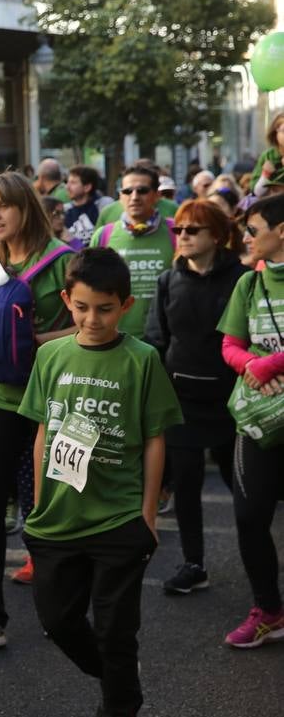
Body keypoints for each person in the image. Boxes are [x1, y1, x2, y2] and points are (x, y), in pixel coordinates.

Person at [19, 248, 181, 717]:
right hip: (57, 521)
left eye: (105, 310)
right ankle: (120, 685)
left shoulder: (142, 360)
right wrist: (40, 504)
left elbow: (156, 437)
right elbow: (43, 432)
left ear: (125, 307)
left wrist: (148, 513)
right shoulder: (52, 357)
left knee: (116, 631)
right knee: (57, 620)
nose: (93, 320)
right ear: (67, 301)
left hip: (118, 521)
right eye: (83, 308)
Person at [0, 171, 75, 650]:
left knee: (54, 500)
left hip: (53, 397)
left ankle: (64, 596)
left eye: (4, 205)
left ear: (26, 207)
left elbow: (95, 321)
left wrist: (36, 341)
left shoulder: (62, 261)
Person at [144, 200, 248, 594]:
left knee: (245, 492)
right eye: (179, 230)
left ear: (217, 236)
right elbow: (157, 339)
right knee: (186, 486)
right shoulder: (169, 279)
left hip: (231, 403)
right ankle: (194, 564)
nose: (182, 236)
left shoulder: (241, 279)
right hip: (182, 401)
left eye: (193, 230)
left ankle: (257, 559)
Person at [217, 194, 284, 647]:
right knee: (249, 515)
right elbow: (230, 345)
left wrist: (273, 363)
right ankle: (269, 610)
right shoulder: (248, 284)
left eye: (253, 229)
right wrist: (249, 365)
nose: (246, 237)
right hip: (258, 419)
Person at [88, 165, 176, 340]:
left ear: (157, 195)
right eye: (127, 191)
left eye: (142, 190)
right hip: (116, 338)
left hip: (166, 339)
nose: (134, 197)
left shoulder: (177, 232)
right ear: (120, 196)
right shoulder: (104, 235)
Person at [64, 165, 104, 247]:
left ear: (87, 187)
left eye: (73, 183)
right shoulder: (65, 210)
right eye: (67, 182)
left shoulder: (102, 206)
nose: (67, 187)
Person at [248, 117, 284, 197]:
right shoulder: (268, 156)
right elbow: (256, 193)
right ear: (275, 133)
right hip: (269, 205)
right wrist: (265, 175)